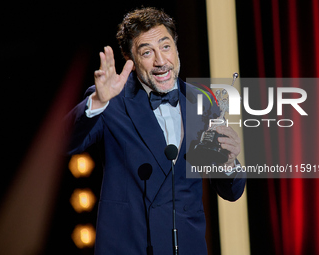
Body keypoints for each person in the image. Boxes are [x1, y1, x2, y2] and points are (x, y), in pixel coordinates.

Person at [67, 7, 246, 255]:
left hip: (186, 247)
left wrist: (228, 164)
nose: (161, 61)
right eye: (147, 52)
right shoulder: (111, 101)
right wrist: (97, 102)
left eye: (166, 46)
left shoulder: (202, 103)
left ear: (176, 47)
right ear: (128, 58)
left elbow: (231, 191)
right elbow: (65, 142)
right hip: (130, 247)